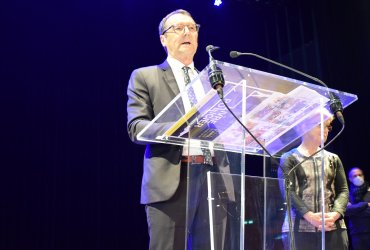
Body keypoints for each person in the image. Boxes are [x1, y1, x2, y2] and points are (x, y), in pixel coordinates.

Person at [126, 9, 231, 250]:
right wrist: (185, 127)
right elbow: (136, 128)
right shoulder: (145, 76)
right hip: (172, 181)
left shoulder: (213, 81)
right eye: (178, 28)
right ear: (163, 39)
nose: (187, 32)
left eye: (192, 28)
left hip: (214, 178)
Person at [278, 113, 349, 250]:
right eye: (320, 125)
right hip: (298, 230)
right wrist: (309, 216)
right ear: (303, 126)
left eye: (328, 126)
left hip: (333, 228)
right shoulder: (289, 158)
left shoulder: (333, 158)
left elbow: (343, 190)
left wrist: (335, 214)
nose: (326, 130)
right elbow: (288, 192)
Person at [345, 167, 370, 250]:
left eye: (360, 175)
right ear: (350, 179)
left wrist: (354, 209)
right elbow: (346, 211)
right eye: (354, 176)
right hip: (356, 233)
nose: (358, 177)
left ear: (363, 176)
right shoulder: (347, 194)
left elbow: (351, 210)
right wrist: (366, 204)